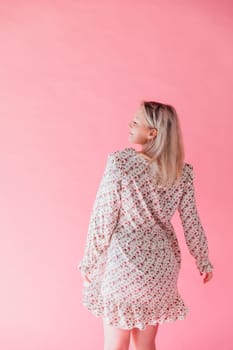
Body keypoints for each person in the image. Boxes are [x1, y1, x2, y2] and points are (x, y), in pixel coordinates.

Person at [78, 100, 214, 350]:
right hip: (160, 270)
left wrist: (90, 260)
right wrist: (203, 260)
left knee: (115, 344)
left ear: (152, 133)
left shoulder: (121, 163)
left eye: (136, 121)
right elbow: (192, 222)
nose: (130, 124)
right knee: (147, 344)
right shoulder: (181, 173)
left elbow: (103, 216)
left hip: (124, 263)